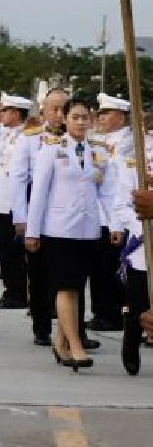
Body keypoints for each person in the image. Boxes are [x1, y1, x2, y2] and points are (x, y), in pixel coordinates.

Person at [24, 95, 121, 371]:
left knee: (77, 287)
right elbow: (39, 194)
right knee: (66, 286)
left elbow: (107, 193)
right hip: (58, 229)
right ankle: (75, 346)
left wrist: (114, 224)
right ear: (64, 119)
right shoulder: (51, 151)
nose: (80, 122)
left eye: (85, 117)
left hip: (88, 229)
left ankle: (61, 343)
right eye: (75, 117)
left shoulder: (99, 153)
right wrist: (33, 231)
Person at [13, 89, 69, 348]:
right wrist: (21, 218)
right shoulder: (30, 139)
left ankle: (73, 331)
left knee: (71, 277)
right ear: (44, 110)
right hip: (38, 214)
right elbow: (19, 179)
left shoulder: (80, 140)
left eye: (63, 108)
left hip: (68, 218)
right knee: (39, 274)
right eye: (54, 108)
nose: (58, 114)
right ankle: (42, 326)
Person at [86, 93, 133, 332]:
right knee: (97, 268)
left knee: (112, 269)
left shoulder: (129, 141)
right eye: (100, 113)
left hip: (117, 214)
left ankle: (112, 314)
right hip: (98, 213)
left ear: (121, 117)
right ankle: (100, 312)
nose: (101, 117)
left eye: (106, 113)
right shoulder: (96, 139)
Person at [0, 93, 34, 309]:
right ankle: (10, 290)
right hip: (0, 200)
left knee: (15, 252)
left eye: (5, 111)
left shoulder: (28, 136)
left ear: (16, 114)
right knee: (5, 250)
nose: (1, 114)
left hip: (14, 203)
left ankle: (18, 294)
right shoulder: (5, 134)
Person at [112, 142, 152, 375]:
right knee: (139, 300)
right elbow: (122, 204)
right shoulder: (135, 157)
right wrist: (142, 227)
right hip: (143, 241)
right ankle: (131, 343)